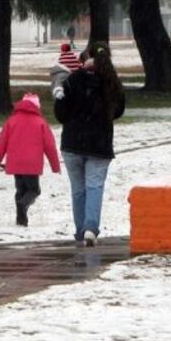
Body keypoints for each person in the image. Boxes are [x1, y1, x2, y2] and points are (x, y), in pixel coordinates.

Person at [54, 41, 125, 246]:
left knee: (78, 190)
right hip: (99, 145)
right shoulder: (111, 82)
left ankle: (80, 230)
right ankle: (90, 229)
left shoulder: (73, 80)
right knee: (95, 187)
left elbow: (61, 114)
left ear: (86, 57)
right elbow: (118, 111)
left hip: (72, 143)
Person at [0, 92, 61, 226]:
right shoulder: (40, 122)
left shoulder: (11, 121)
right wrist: (55, 167)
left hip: (15, 163)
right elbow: (50, 146)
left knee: (21, 190)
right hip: (32, 164)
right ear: (37, 106)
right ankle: (23, 205)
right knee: (34, 190)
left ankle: (21, 220)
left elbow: (1, 144)